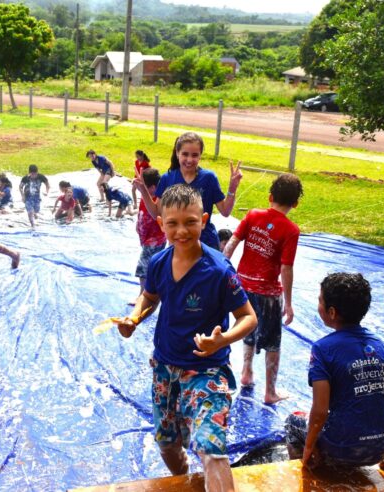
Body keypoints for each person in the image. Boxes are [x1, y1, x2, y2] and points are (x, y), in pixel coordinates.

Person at [116, 184, 257, 492]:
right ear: (161, 223)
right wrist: (135, 318)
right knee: (168, 443)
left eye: (190, 222)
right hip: (165, 368)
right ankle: (189, 482)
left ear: (204, 220)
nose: (182, 230)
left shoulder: (219, 270)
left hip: (206, 370)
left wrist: (223, 340)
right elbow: (149, 297)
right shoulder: (158, 263)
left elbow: (249, 317)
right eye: (173, 223)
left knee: (211, 446)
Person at [286, 273, 384, 469]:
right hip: (379, 449)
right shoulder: (380, 345)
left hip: (340, 450)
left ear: (332, 312)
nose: (318, 305)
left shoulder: (322, 349)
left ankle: (310, 470)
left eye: (320, 300)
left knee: (293, 422)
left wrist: (309, 448)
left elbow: (319, 411)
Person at [223, 173, 303, 404]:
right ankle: (270, 391)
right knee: (272, 341)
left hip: (243, 286)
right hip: (267, 292)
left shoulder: (253, 215)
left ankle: (246, 372)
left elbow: (232, 243)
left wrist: (224, 268)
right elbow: (286, 268)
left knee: (248, 327)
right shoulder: (290, 230)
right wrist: (288, 302)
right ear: (295, 204)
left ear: (270, 196)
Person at [135, 132, 243, 250]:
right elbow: (157, 213)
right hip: (178, 243)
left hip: (205, 244)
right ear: (177, 153)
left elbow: (225, 211)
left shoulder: (208, 178)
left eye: (194, 155)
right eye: (185, 154)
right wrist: (144, 192)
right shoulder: (168, 178)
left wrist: (232, 188)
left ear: (200, 156)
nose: (189, 160)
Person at [132, 167, 166, 297]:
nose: (140, 188)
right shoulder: (146, 195)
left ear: (152, 187)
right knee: (154, 266)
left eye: (143, 186)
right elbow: (142, 210)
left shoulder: (159, 199)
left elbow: (155, 215)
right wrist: (137, 224)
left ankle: (143, 296)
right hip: (147, 238)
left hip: (155, 240)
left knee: (142, 269)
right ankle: (156, 290)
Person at [19, 165, 50, 229]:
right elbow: (20, 187)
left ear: (37, 172)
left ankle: (34, 213)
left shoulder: (41, 177)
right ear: (29, 173)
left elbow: (47, 184)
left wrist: (46, 191)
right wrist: (23, 196)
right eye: (32, 174)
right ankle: (33, 225)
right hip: (28, 197)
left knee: (36, 210)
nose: (33, 176)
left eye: (35, 174)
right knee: (30, 212)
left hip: (37, 197)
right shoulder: (26, 178)